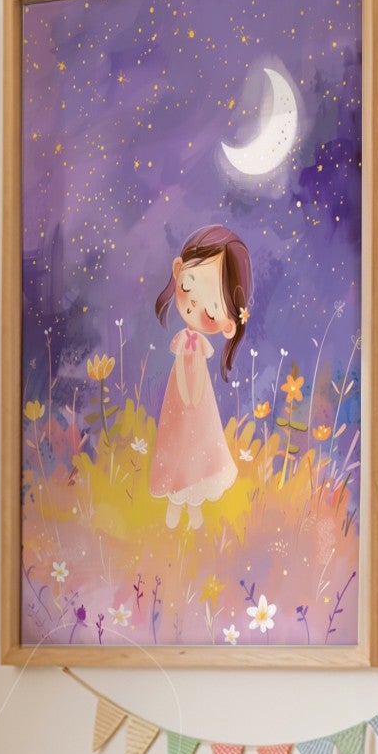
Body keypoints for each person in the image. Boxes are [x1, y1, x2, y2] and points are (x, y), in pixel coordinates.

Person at [150, 224, 249, 531]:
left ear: (229, 325)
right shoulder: (183, 341)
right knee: (177, 447)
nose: (195, 304)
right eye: (190, 283)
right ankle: (174, 503)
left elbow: (198, 375)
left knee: (198, 454)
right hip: (180, 406)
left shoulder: (201, 344)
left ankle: (193, 506)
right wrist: (186, 396)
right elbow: (181, 371)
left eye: (212, 307)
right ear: (178, 269)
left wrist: (195, 399)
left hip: (200, 409)